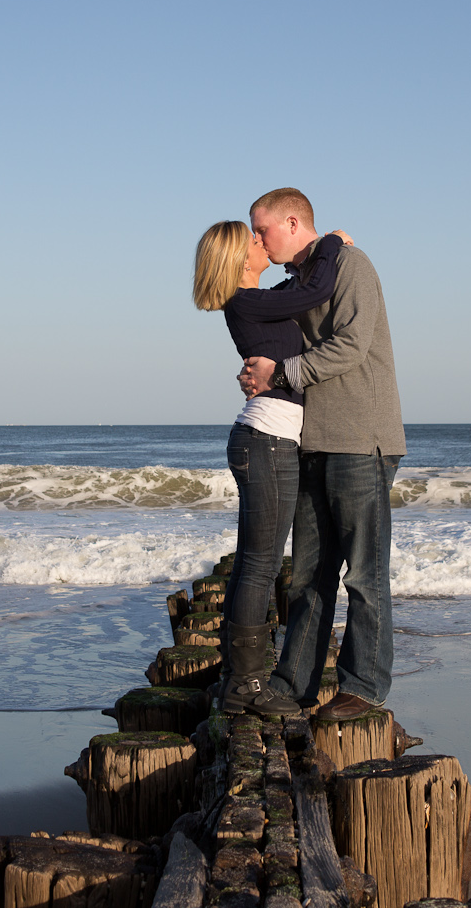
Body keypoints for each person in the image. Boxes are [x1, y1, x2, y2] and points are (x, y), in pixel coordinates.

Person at [237, 188, 405, 721]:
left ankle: (365, 686)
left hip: (361, 438)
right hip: (312, 440)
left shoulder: (352, 265)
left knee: (364, 572)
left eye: (262, 230)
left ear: (292, 222)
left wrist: (280, 373)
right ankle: (293, 684)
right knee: (309, 572)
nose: (257, 240)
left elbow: (352, 345)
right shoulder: (302, 282)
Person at [192, 219, 350, 714]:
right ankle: (247, 687)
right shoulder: (247, 301)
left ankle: (239, 678)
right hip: (269, 441)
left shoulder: (257, 300)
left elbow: (298, 289)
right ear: (240, 258)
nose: (263, 244)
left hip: (264, 439)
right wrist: (329, 244)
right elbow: (317, 288)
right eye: (254, 240)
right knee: (259, 565)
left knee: (252, 563)